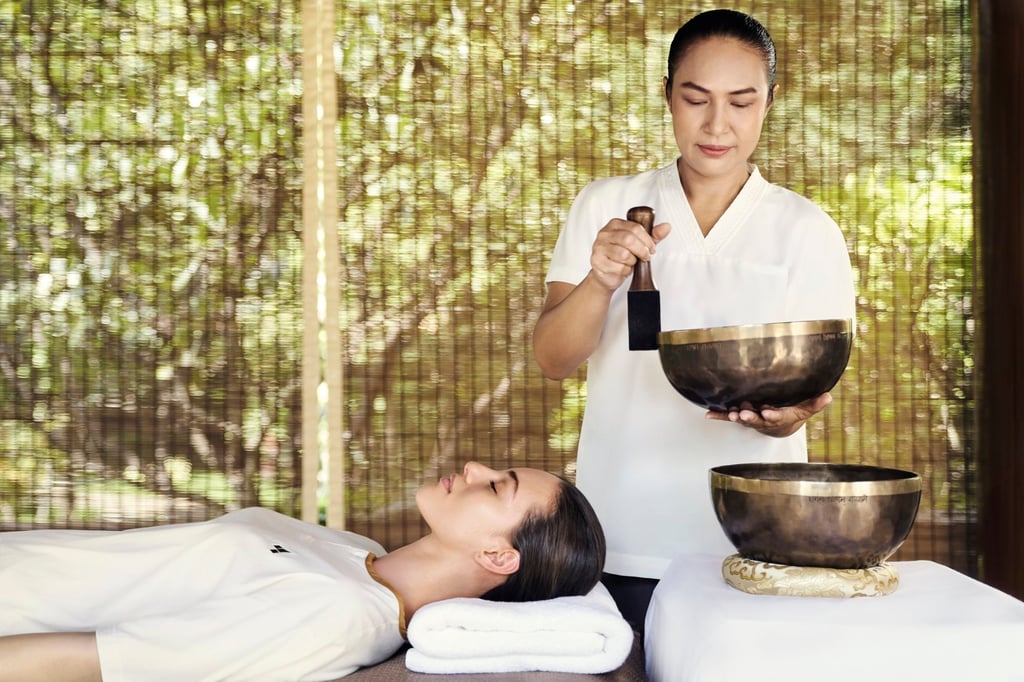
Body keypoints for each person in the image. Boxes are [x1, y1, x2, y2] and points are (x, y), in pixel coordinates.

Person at [533, 9, 856, 633]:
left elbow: (811, 385)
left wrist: (781, 421)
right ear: (667, 96)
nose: (717, 125)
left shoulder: (806, 230)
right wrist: (602, 279)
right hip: (622, 534)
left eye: (741, 101)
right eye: (696, 98)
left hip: (758, 542)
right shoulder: (607, 206)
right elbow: (553, 360)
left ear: (769, 100)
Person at [0, 461, 606, 681]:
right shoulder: (356, 553)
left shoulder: (337, 615)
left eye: (497, 485)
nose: (474, 466)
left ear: (499, 558)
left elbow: (95, 663)